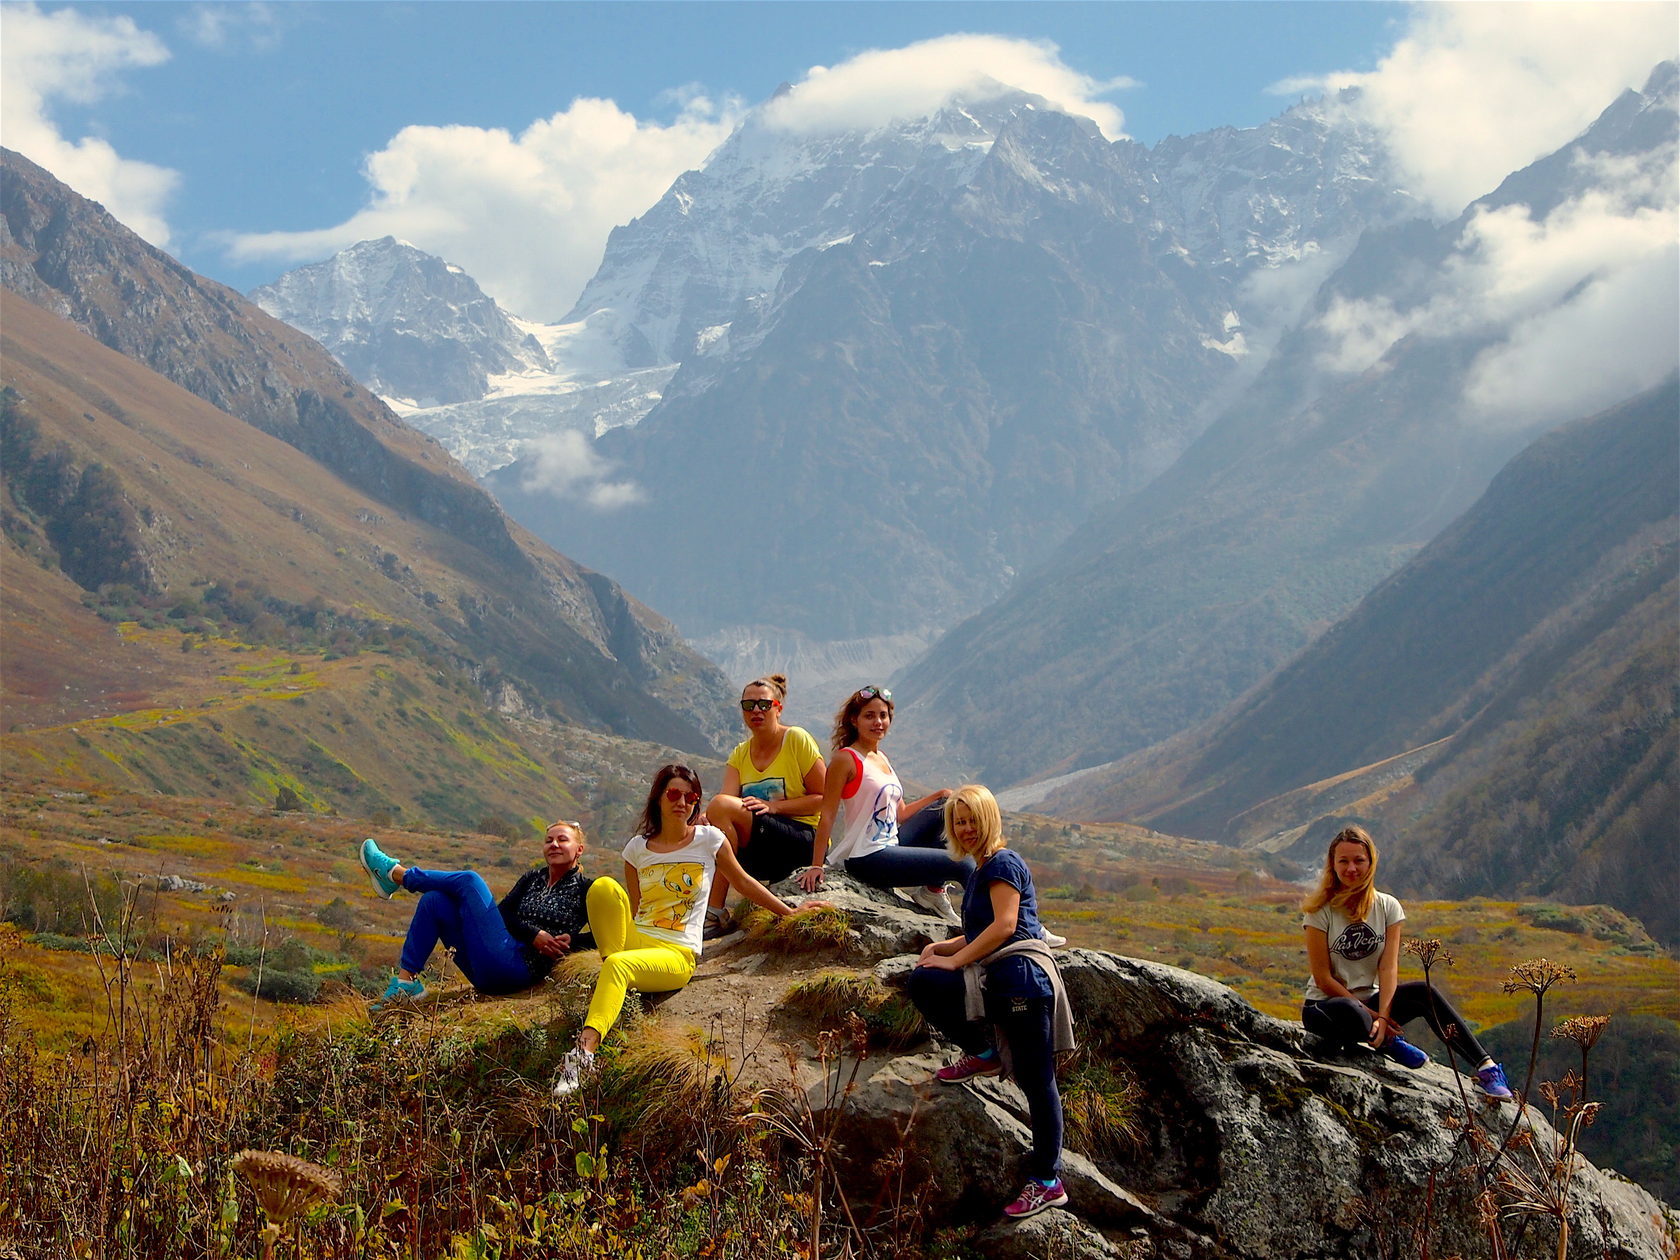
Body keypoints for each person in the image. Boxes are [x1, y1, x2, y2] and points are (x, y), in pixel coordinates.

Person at [552, 763, 830, 1095]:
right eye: (673, 794)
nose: (681, 802)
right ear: (658, 798)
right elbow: (637, 908)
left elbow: (743, 881)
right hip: (640, 937)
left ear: (696, 802)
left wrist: (790, 911)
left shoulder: (709, 840)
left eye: (690, 796)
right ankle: (619, 981)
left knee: (616, 965)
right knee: (602, 888)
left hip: (676, 952)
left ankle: (582, 1054)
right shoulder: (636, 849)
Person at [907, 785, 1075, 1222]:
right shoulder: (980, 868)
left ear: (989, 820)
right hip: (999, 976)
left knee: (1038, 1081)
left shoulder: (1002, 862)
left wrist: (957, 959)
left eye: (972, 820)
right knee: (924, 980)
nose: (965, 828)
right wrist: (942, 949)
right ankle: (983, 1055)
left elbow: (1005, 926)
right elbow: (985, 929)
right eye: (959, 821)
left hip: (1022, 977)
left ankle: (1048, 1180)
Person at [1301, 825, 1513, 1099]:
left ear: (1371, 862)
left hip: (1372, 1006)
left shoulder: (1388, 907)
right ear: (1333, 865)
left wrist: (1384, 1014)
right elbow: (1323, 979)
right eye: (1343, 861)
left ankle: (1487, 1068)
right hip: (1327, 1008)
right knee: (1350, 1009)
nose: (1351, 868)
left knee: (1424, 992)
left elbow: (1388, 968)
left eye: (1359, 860)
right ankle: (1388, 1041)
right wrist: (1376, 1019)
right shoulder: (1319, 912)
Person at [359, 820, 594, 1010]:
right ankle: (405, 984)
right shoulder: (533, 879)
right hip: (489, 965)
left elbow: (608, 936)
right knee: (434, 901)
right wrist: (533, 934)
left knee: (470, 880)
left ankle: (395, 875)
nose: (554, 844)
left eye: (562, 840)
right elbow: (504, 913)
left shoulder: (586, 890)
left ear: (579, 849)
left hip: (519, 969)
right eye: (549, 840)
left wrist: (572, 941)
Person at [798, 685, 970, 923]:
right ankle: (986, 928)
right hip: (868, 857)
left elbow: (899, 814)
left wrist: (939, 795)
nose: (878, 722)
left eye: (883, 715)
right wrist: (817, 865)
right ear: (854, 720)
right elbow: (826, 815)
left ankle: (933, 892)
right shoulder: (845, 759)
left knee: (946, 807)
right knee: (964, 864)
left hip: (892, 843)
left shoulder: (882, 758)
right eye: (869, 716)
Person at [702, 674, 827, 939]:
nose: (756, 711)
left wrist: (774, 807)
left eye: (763, 704)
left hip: (802, 841)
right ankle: (703, 910)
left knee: (720, 807)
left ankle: (714, 911)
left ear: (778, 708)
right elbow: (726, 805)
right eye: (748, 706)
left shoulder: (796, 740)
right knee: (711, 823)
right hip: (761, 849)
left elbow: (825, 798)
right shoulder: (740, 754)